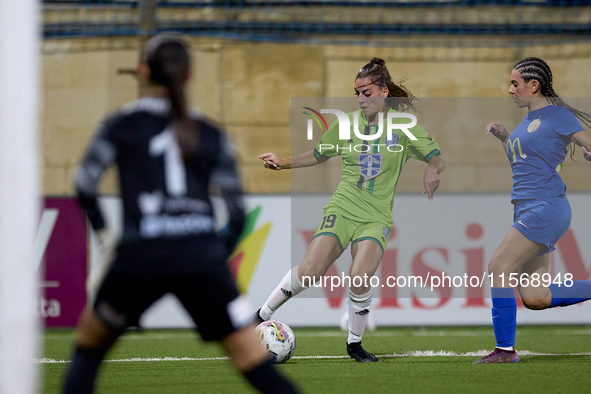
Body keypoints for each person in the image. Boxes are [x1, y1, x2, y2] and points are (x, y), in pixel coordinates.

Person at [62, 33, 299, 393]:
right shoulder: (210, 133)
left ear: (143, 72)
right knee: (255, 365)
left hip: (139, 254)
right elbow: (237, 212)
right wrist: (213, 255)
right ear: (189, 75)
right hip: (199, 257)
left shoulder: (119, 125)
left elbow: (84, 183)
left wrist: (105, 236)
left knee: (89, 350)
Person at [254, 58, 445, 362]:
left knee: (360, 275)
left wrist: (432, 170)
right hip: (343, 207)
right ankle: (261, 315)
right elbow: (318, 154)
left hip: (376, 216)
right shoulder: (345, 124)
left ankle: (354, 344)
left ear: (384, 92)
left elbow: (436, 158)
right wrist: (282, 163)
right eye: (357, 93)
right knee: (310, 270)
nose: (360, 99)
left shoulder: (405, 128)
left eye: (366, 92)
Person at [475, 57, 591, 364]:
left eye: (515, 83)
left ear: (533, 85)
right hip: (527, 208)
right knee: (536, 298)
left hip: (546, 206)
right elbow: (521, 165)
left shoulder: (557, 115)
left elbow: (589, 143)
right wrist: (505, 138)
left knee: (498, 265)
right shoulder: (527, 122)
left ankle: (504, 351)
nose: (510, 89)